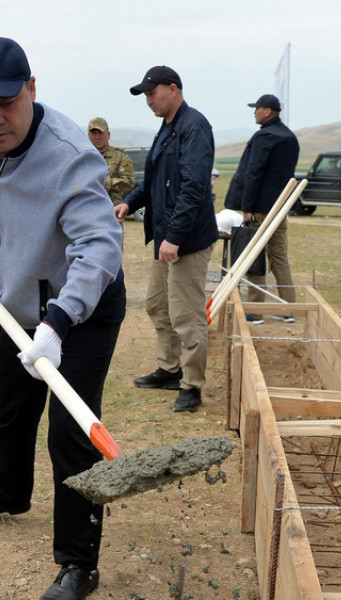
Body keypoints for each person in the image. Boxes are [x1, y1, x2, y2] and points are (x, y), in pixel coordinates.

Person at [0, 36, 125, 600]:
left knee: (71, 431)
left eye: (6, 104)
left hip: (80, 310)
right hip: (15, 301)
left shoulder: (70, 154)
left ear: (31, 89)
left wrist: (60, 322)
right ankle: (9, 493)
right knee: (13, 408)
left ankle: (77, 563)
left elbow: (99, 246)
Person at [114, 66, 217, 414]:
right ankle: (169, 369)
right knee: (158, 305)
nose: (148, 100)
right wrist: (130, 201)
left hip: (185, 239)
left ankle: (192, 385)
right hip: (165, 238)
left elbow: (193, 187)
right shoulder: (167, 128)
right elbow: (157, 180)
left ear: (173, 89)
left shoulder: (194, 127)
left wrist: (174, 236)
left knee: (187, 315)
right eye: (145, 95)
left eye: (151, 93)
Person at [223, 93, 300, 324]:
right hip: (280, 206)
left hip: (260, 208)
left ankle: (254, 313)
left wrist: (247, 207)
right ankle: (290, 309)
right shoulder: (289, 136)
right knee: (279, 257)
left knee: (254, 258)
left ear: (267, 111)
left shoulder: (265, 136)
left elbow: (253, 173)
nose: (254, 112)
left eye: (257, 108)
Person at [86, 117, 134, 206]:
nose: (97, 137)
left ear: (108, 135)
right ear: (88, 136)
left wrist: (104, 182)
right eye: (93, 133)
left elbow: (129, 182)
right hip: (88, 208)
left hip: (112, 209)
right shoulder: (83, 157)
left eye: (100, 133)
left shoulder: (120, 156)